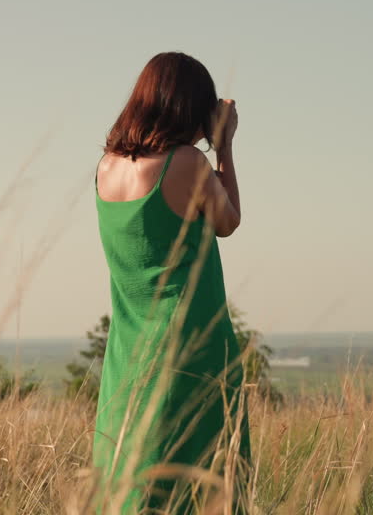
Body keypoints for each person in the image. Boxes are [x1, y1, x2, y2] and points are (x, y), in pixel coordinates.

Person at [92, 52, 250, 513]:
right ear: (187, 107)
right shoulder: (185, 163)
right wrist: (224, 146)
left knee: (132, 478)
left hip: (127, 354)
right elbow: (228, 222)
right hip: (191, 349)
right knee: (204, 482)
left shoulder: (105, 168)